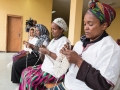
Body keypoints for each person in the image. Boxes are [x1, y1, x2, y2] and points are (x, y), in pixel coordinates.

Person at [49, 0, 120, 90]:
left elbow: (104, 84)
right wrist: (66, 57)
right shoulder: (80, 43)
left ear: (104, 25)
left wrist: (78, 60)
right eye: (84, 23)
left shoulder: (111, 48)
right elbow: (70, 70)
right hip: (66, 85)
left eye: (90, 24)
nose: (86, 27)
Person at [19, 18, 71, 90]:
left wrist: (47, 52)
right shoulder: (53, 40)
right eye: (51, 29)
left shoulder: (64, 41)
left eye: (54, 29)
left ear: (61, 29)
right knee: (25, 72)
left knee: (32, 81)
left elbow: (61, 60)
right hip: (46, 66)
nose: (52, 31)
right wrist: (43, 49)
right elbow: (45, 55)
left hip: (54, 72)